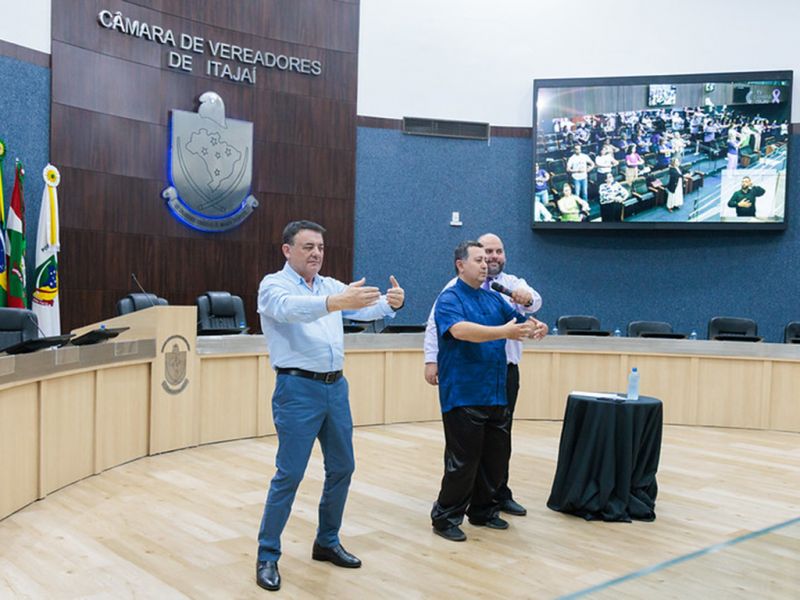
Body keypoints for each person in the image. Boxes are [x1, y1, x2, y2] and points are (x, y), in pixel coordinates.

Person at [255, 220, 405, 592]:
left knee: (343, 467)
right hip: (297, 389)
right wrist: (338, 301)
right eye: (308, 247)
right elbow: (294, 310)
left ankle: (327, 541)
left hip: (335, 388)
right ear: (287, 250)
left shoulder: (330, 285)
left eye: (320, 247)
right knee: (289, 474)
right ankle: (267, 554)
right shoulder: (273, 286)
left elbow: (363, 309)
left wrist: (390, 303)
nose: (316, 254)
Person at [429, 240, 547, 542]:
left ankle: (484, 510)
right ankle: (445, 516)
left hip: (496, 391)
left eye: (487, 260)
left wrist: (536, 328)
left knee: (495, 456)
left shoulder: (493, 299)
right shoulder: (450, 298)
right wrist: (504, 332)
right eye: (478, 260)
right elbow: (460, 330)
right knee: (463, 461)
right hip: (465, 392)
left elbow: (520, 323)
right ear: (460, 265)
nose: (485, 265)